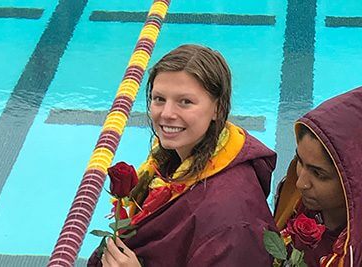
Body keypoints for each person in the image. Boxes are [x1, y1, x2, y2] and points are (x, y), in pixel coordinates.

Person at [88, 44, 277, 266]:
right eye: (159, 99)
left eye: (185, 102)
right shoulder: (175, 160)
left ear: (218, 108)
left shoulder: (230, 218)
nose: (166, 114)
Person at [274, 86, 362, 266]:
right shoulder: (293, 204)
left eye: (318, 174)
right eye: (299, 161)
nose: (300, 183)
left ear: (353, 181)